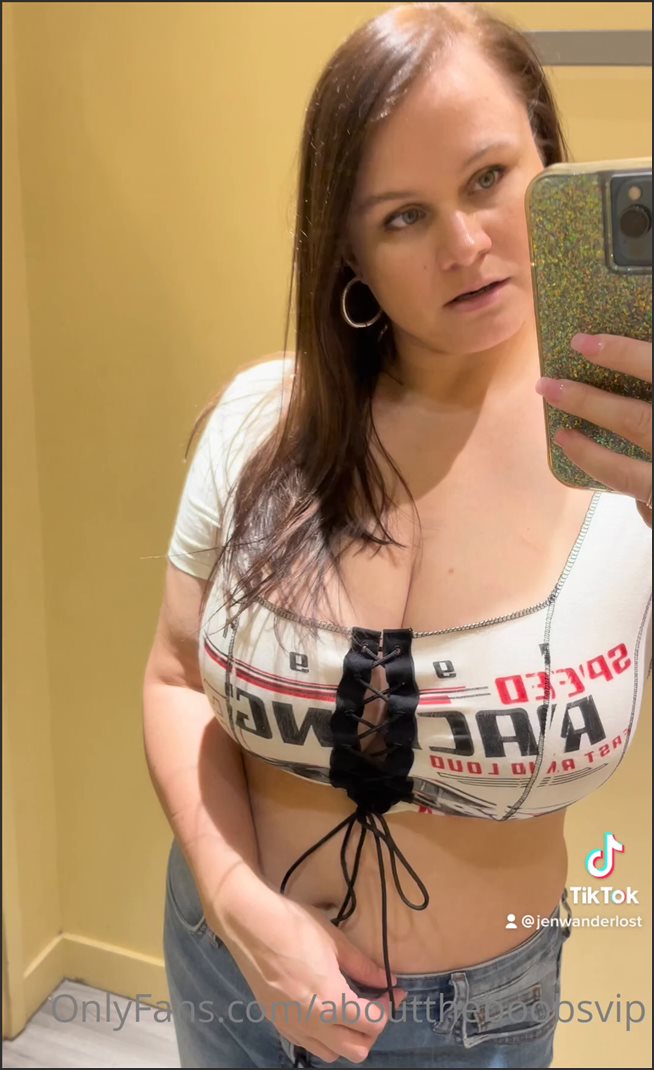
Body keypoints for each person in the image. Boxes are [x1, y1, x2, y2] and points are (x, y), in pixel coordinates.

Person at [142, 4, 652, 1068]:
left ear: (548, 165)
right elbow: (177, 675)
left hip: (476, 1023)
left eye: (488, 178)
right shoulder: (259, 426)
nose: (465, 245)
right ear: (351, 253)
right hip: (229, 961)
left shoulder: (628, 462)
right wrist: (234, 902)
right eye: (404, 216)